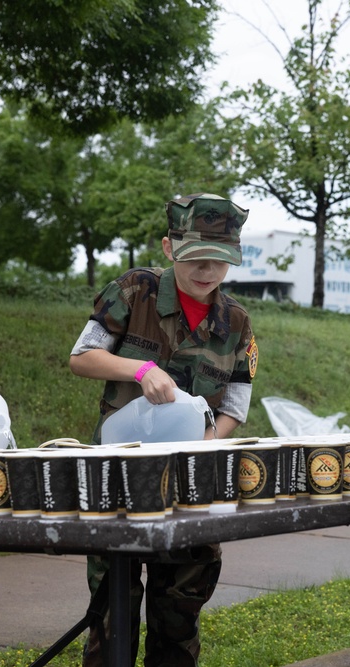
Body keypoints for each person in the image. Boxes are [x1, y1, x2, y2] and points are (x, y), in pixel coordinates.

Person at [69, 192, 258, 666]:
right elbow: (81, 357)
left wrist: (209, 444)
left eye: (220, 260)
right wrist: (137, 370)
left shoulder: (235, 321)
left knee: (179, 618)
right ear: (170, 247)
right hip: (119, 479)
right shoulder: (134, 290)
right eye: (196, 256)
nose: (207, 270)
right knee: (113, 617)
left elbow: (236, 400)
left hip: (190, 485)